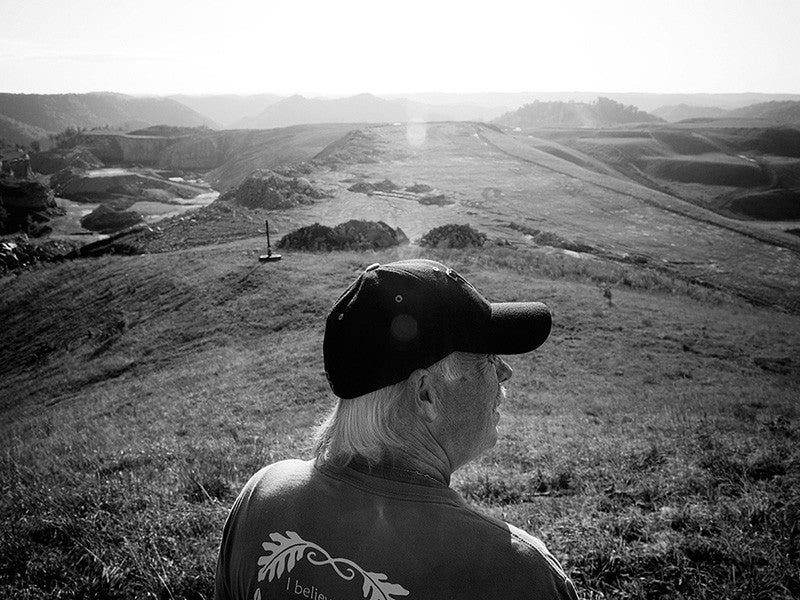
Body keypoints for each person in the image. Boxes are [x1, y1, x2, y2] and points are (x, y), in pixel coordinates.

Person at [215, 259, 578, 600]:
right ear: (425, 395)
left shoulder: (262, 498)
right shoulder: (518, 574)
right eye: (487, 359)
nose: (504, 372)